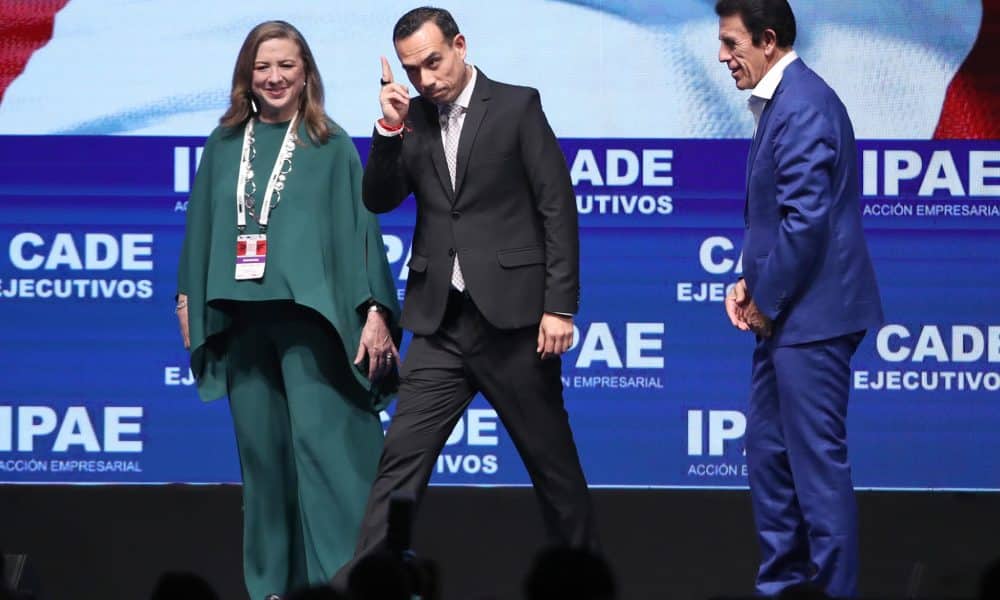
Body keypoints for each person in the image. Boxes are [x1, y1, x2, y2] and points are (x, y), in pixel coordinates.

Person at [334, 5, 599, 583]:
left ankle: (584, 585)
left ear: (459, 44)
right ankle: (360, 588)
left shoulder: (516, 105)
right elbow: (379, 199)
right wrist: (388, 129)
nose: (426, 79)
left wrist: (559, 306)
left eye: (433, 62)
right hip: (439, 325)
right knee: (398, 467)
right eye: (413, 69)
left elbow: (557, 206)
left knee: (555, 474)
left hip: (515, 326)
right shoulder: (414, 118)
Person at [175, 20, 401, 600]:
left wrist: (375, 309)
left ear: (306, 76)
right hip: (242, 321)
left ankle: (351, 587)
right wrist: (186, 298)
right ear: (246, 76)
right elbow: (200, 228)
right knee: (265, 468)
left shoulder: (332, 144)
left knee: (332, 461)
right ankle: (272, 590)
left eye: (286, 66)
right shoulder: (224, 144)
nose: (274, 77)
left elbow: (361, 235)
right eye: (262, 67)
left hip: (316, 324)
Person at [715, 1, 883, 597]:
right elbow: (779, 218)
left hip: (812, 317)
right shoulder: (782, 102)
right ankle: (783, 587)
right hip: (785, 315)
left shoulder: (805, 105)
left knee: (815, 469)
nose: (721, 57)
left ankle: (833, 591)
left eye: (732, 44)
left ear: (767, 40)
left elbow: (806, 219)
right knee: (767, 454)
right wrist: (749, 282)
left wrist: (765, 298)